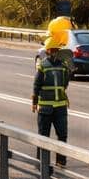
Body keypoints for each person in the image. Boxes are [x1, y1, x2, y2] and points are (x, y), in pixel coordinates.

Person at [33, 35, 72, 171]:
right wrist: (35, 102)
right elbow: (37, 84)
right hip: (48, 107)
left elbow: (65, 82)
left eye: (56, 49)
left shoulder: (59, 66)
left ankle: (59, 162)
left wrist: (35, 101)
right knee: (44, 136)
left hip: (57, 107)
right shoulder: (45, 66)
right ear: (48, 51)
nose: (55, 51)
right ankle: (42, 164)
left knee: (60, 135)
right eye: (53, 49)